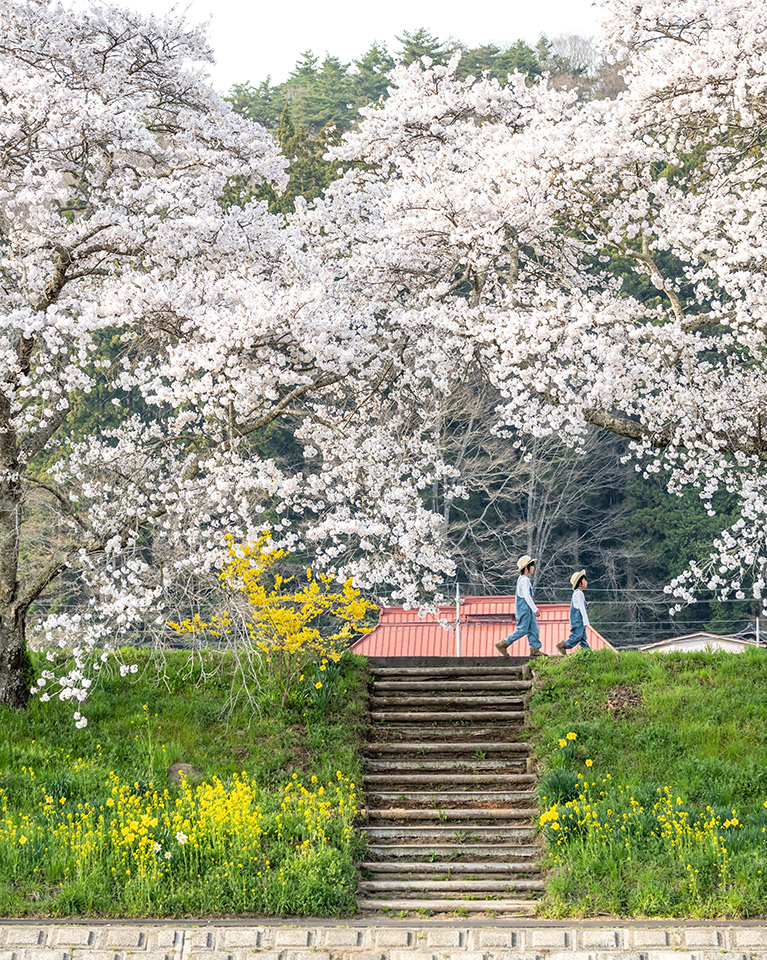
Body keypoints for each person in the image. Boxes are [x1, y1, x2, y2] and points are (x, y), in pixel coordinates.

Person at [496, 554, 545, 658]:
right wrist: (535, 609)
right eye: (532, 565)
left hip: (527, 610)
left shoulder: (523, 579)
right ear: (526, 567)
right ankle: (503, 644)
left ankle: (535, 649)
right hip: (524, 610)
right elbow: (527, 596)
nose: (533, 568)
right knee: (522, 629)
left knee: (533, 629)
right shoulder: (524, 580)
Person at [557, 570, 592, 654]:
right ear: (579, 583)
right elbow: (581, 609)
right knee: (577, 636)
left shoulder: (578, 593)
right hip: (578, 620)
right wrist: (586, 621)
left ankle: (586, 651)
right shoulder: (579, 594)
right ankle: (564, 644)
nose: (586, 582)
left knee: (582, 637)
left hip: (578, 619)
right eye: (584, 580)